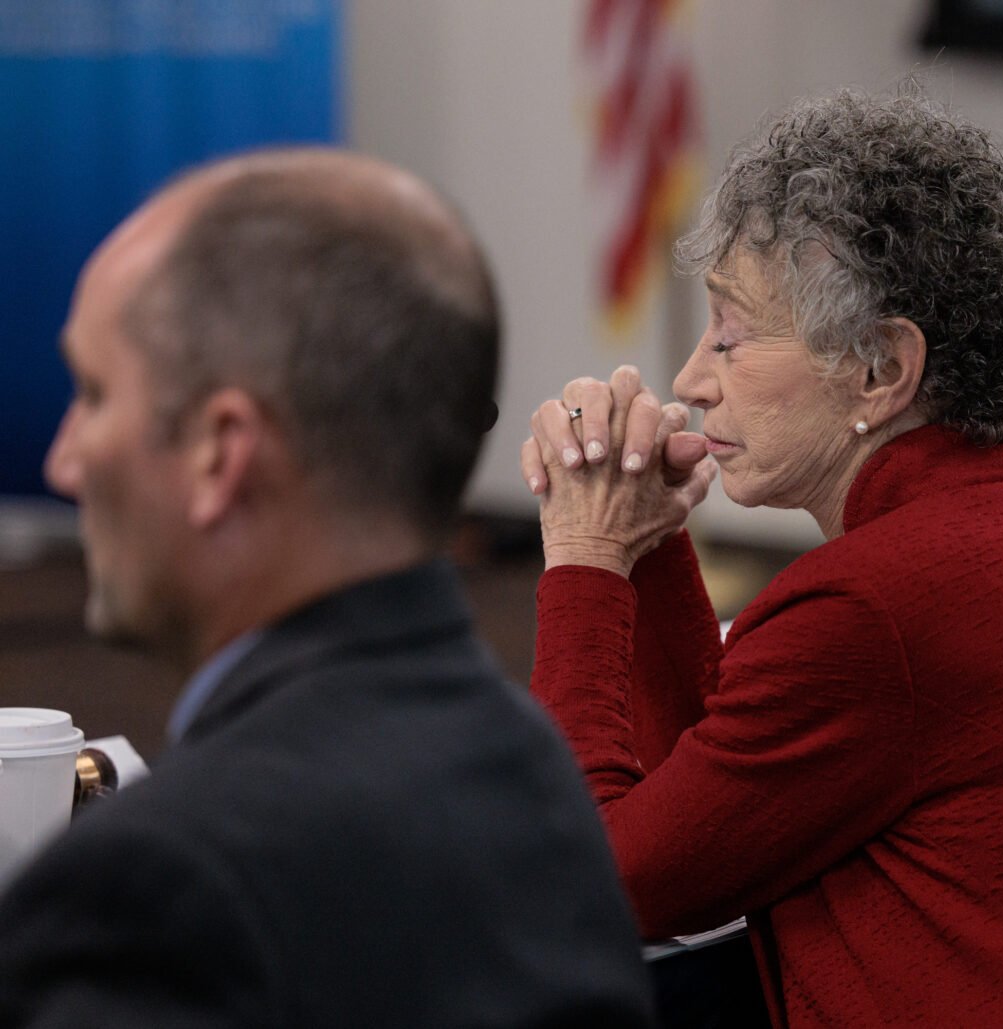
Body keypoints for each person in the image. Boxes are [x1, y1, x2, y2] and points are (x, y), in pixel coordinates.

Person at [522, 88, 1003, 1027]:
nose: (690, 382)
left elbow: (588, 884)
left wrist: (582, 554)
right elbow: (722, 801)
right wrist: (644, 549)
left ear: (882, 370)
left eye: (730, 337)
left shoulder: (877, 608)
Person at [0, 149, 654, 1026]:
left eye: (94, 393)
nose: (63, 460)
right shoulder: (532, 772)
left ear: (218, 453)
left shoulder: (157, 886)